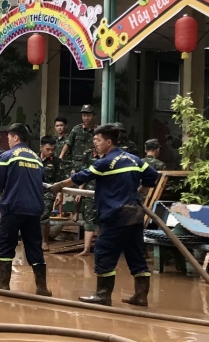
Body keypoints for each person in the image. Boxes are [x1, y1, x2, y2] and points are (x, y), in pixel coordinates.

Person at [49, 123, 159, 306]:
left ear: (109, 142)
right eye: (94, 140)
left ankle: (103, 294)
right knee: (136, 255)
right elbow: (152, 175)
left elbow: (81, 177)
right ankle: (141, 296)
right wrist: (139, 192)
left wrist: (59, 186)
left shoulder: (106, 162)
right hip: (135, 215)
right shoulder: (134, 160)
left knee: (103, 251)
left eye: (98, 140)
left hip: (116, 216)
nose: (95, 143)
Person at [0, 123, 50, 296]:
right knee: (34, 247)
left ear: (16, 138)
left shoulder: (7, 156)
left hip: (13, 207)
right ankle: (42, 287)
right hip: (34, 209)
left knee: (6, 245)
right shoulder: (37, 159)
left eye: (8, 138)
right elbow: (41, 181)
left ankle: (3, 284)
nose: (7, 142)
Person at [60, 103, 98, 255]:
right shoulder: (76, 129)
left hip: (91, 164)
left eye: (88, 115)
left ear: (93, 116)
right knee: (75, 191)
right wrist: (61, 157)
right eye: (84, 115)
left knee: (85, 193)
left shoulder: (97, 131)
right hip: (77, 164)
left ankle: (92, 242)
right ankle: (74, 212)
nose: (86, 117)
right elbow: (68, 144)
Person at [39, 135, 66, 252]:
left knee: (44, 214)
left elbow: (60, 180)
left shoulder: (56, 162)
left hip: (49, 192)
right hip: (34, 191)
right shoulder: (33, 159)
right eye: (47, 149)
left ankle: (45, 242)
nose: (50, 152)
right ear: (41, 147)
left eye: (52, 150)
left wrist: (60, 194)